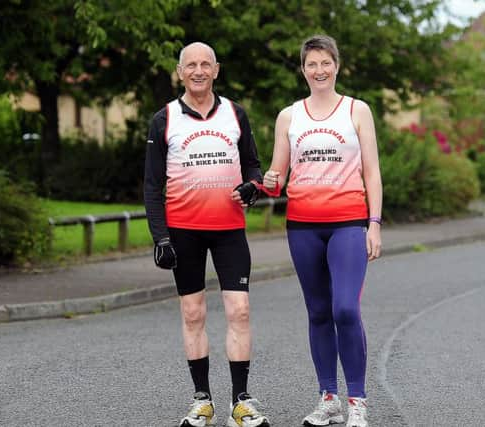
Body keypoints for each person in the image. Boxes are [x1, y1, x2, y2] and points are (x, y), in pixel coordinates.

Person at [144, 41, 270, 427]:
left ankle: (241, 402)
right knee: (193, 313)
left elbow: (253, 165)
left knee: (240, 310)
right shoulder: (163, 119)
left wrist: (253, 186)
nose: (198, 71)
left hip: (229, 229)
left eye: (205, 64)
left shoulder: (236, 113)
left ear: (216, 69)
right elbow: (152, 186)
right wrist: (160, 237)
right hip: (184, 232)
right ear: (180, 72)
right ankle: (202, 402)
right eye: (190, 65)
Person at [263, 35, 382, 427]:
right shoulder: (289, 116)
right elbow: (277, 177)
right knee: (317, 312)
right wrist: (260, 182)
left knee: (345, 308)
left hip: (348, 221)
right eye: (311, 64)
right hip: (302, 225)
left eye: (325, 63)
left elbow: (372, 173)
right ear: (303, 70)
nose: (319, 71)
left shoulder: (357, 110)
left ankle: (358, 401)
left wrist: (375, 223)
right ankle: (328, 398)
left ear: (337, 65)